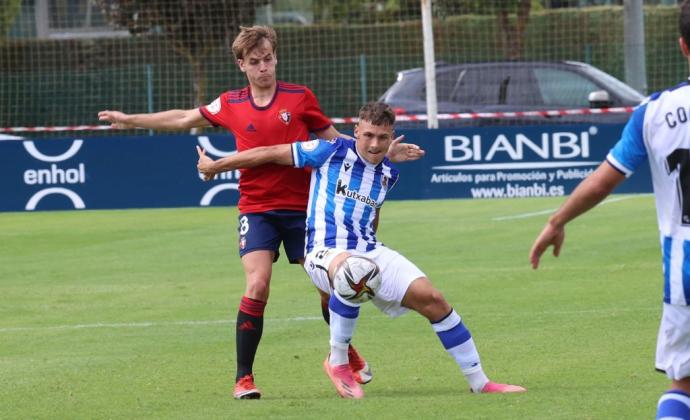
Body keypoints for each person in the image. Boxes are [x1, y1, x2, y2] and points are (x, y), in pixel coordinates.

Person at [98, 26, 423, 400]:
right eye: (255, 62)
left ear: (276, 58)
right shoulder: (230, 103)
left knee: (332, 285)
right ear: (241, 65)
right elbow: (184, 118)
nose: (263, 67)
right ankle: (244, 378)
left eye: (268, 59)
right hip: (257, 209)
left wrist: (380, 153)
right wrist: (132, 120)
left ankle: (343, 352)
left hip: (306, 211)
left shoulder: (300, 98)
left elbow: (338, 142)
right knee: (257, 285)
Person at [197, 101, 526, 399]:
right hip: (322, 250)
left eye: (382, 138)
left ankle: (480, 382)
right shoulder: (328, 150)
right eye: (368, 135)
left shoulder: (388, 173)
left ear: (391, 136)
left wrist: (376, 258)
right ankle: (338, 362)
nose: (374, 144)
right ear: (356, 131)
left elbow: (373, 219)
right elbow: (268, 152)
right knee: (354, 271)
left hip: (368, 249)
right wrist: (217, 165)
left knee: (434, 300)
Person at [530, 3, 690, 418]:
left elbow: (604, 180)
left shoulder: (653, 113)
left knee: (684, 385)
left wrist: (556, 219)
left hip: (684, 267)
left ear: (683, 46)